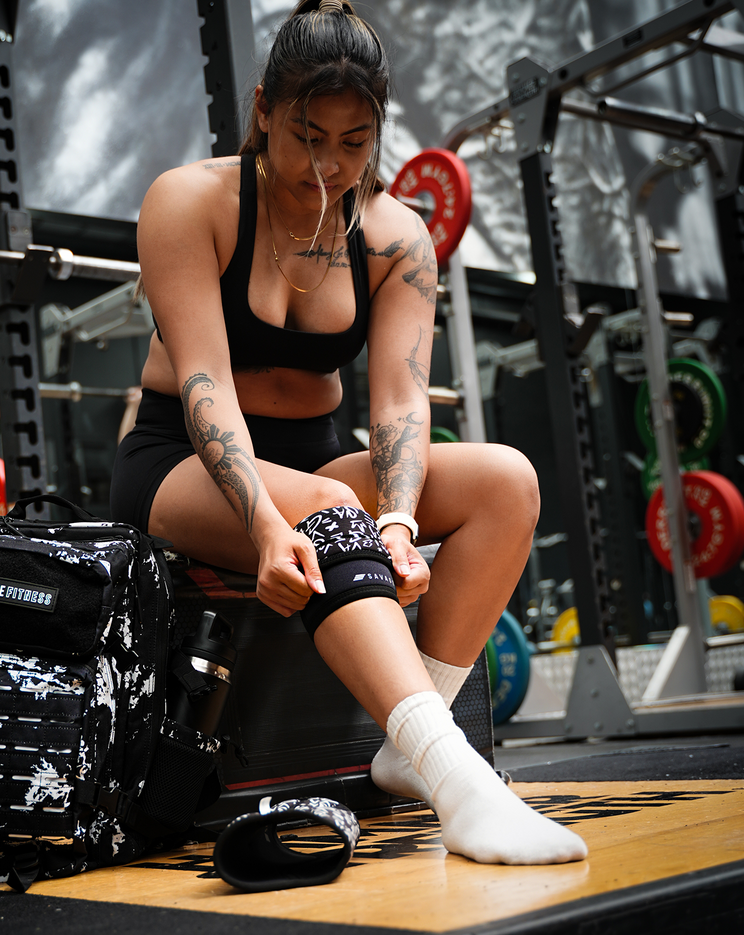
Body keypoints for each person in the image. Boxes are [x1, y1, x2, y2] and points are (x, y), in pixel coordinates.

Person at [111, 0, 586, 865]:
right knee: (328, 503)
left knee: (506, 481)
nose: (327, 163)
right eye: (306, 135)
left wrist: (399, 523)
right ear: (262, 109)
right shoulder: (190, 201)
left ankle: (410, 748)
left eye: (354, 141)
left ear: (378, 133)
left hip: (317, 453)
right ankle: (459, 783)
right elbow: (204, 382)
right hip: (183, 458)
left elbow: (401, 405)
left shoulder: (399, 236)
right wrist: (263, 524)